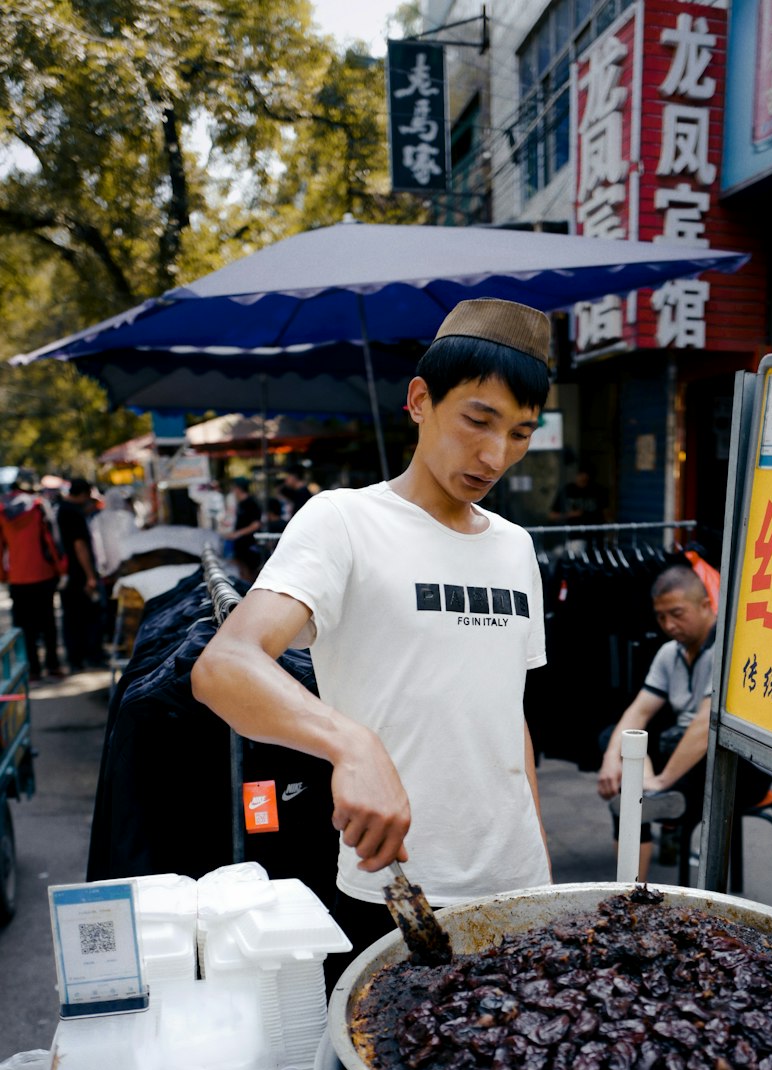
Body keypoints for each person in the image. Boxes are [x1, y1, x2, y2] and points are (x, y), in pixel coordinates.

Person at [192, 298, 553, 971]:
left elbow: (510, 720)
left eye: (521, 432)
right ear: (419, 400)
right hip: (398, 888)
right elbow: (225, 665)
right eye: (478, 419)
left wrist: (544, 873)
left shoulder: (516, 547)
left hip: (519, 886)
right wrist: (349, 743)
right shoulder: (343, 521)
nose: (495, 453)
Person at [597, 563, 772, 882]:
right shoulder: (669, 653)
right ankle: (634, 879)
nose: (668, 624)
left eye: (677, 613)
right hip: (685, 761)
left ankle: (652, 796)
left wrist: (662, 780)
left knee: (635, 789)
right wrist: (611, 758)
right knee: (614, 740)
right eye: (661, 616)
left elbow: (707, 724)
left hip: (738, 767)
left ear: (706, 605)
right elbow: (638, 711)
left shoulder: (730, 648)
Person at [0, 472, 63, 681]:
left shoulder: (3, 510)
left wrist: (3, 574)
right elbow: (51, 540)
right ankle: (53, 666)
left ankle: (32, 670)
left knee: (25, 627)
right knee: (47, 624)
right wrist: (61, 568)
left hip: (17, 577)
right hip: (43, 573)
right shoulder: (38, 506)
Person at [56, 478, 105, 673]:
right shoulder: (72, 513)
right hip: (77, 573)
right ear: (84, 494)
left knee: (74, 617)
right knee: (84, 616)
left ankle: (78, 657)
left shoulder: (62, 509)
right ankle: (87, 656)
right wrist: (90, 575)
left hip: (68, 573)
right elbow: (79, 546)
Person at [221, 477, 262, 581]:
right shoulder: (240, 503)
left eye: (234, 488)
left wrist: (237, 533)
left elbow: (256, 524)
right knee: (242, 570)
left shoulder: (251, 503)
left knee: (249, 573)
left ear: (239, 489)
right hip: (240, 544)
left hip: (248, 544)